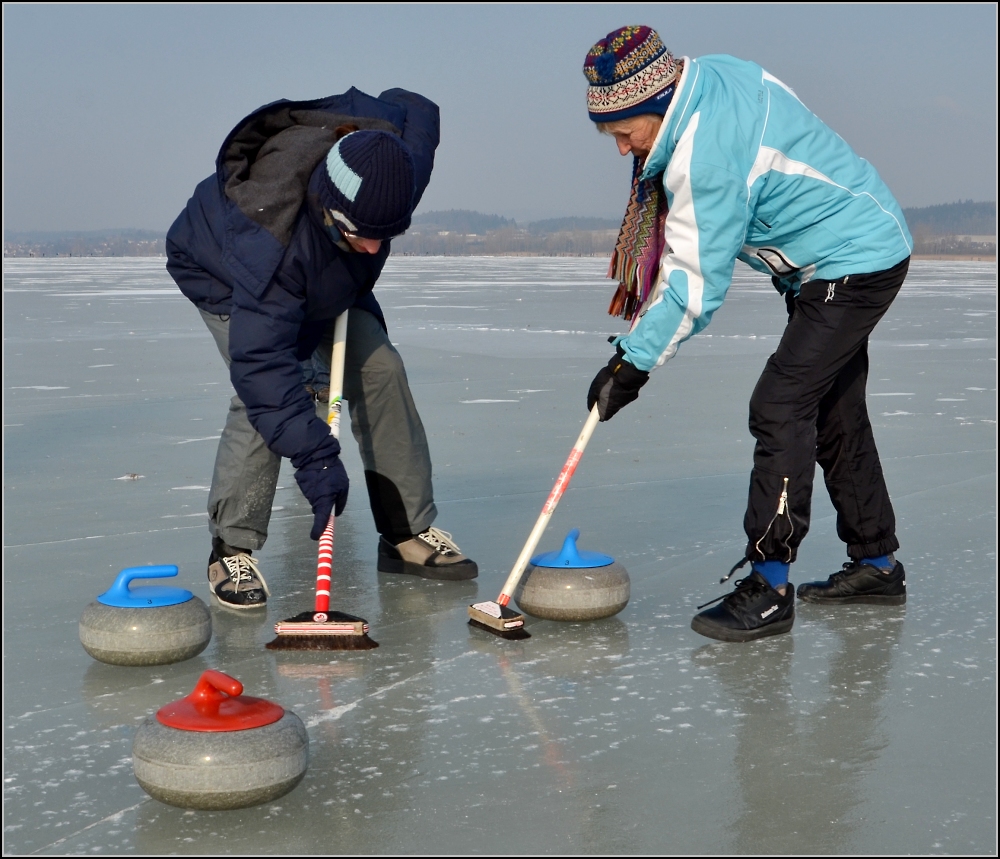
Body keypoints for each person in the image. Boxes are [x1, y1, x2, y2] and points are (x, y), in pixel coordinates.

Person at [581, 26, 911, 642]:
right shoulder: (713, 75)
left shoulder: (704, 155)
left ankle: (770, 586)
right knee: (834, 410)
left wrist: (632, 364)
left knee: (781, 405)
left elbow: (694, 285)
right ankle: (877, 563)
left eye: (625, 132)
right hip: (845, 249)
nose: (623, 149)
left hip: (851, 261)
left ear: (656, 101)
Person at [166, 87, 478, 611]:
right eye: (364, 234)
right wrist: (316, 460)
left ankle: (405, 532)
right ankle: (232, 547)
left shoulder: (394, 171)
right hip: (222, 272)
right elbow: (263, 370)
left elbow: (418, 112)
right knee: (271, 395)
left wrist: (383, 115)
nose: (376, 247)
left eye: (386, 234)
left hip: (332, 274)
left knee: (381, 368)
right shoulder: (270, 244)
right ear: (333, 208)